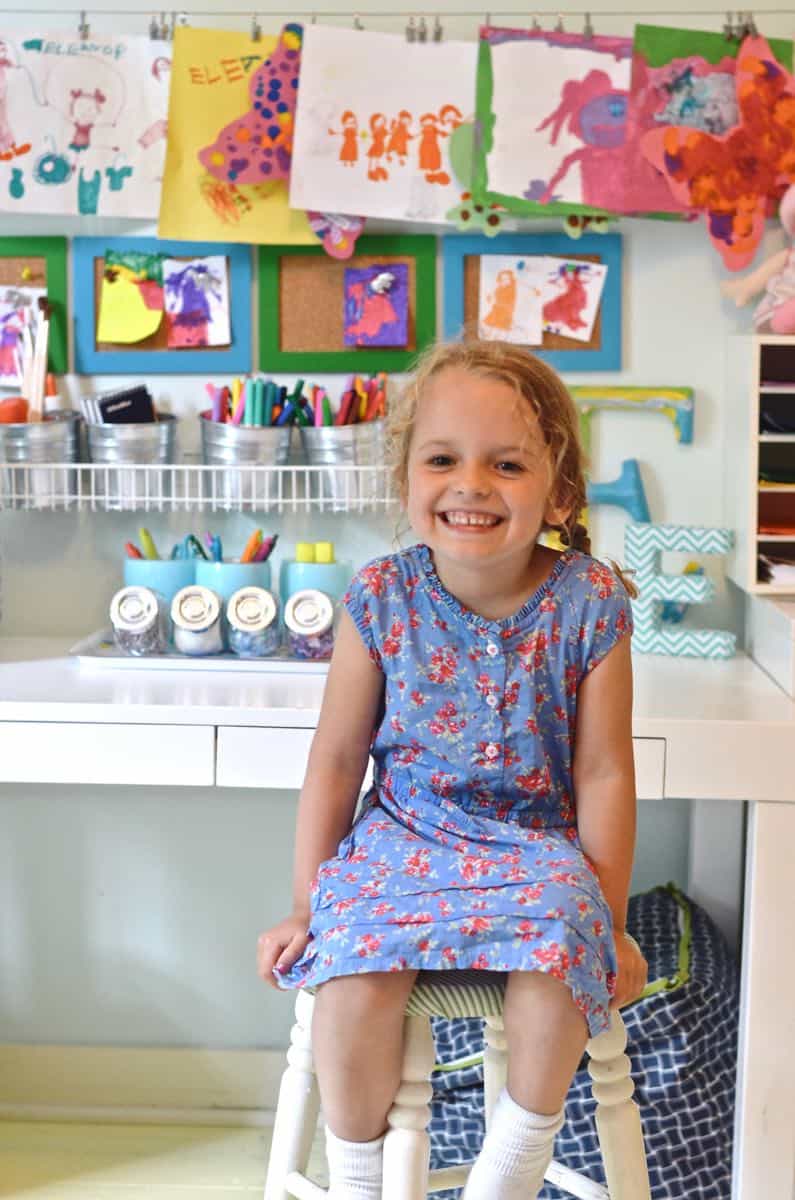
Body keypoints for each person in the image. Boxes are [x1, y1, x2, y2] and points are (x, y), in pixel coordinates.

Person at [257, 338, 648, 1200]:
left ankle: (509, 1164)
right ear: (406, 477)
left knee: (560, 943)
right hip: (402, 839)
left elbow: (604, 774)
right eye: (442, 459)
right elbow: (335, 757)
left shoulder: (589, 602)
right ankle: (358, 1174)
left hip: (532, 844)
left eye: (505, 464)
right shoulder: (379, 596)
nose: (470, 484)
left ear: (560, 488)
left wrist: (609, 920)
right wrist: (302, 902)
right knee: (351, 969)